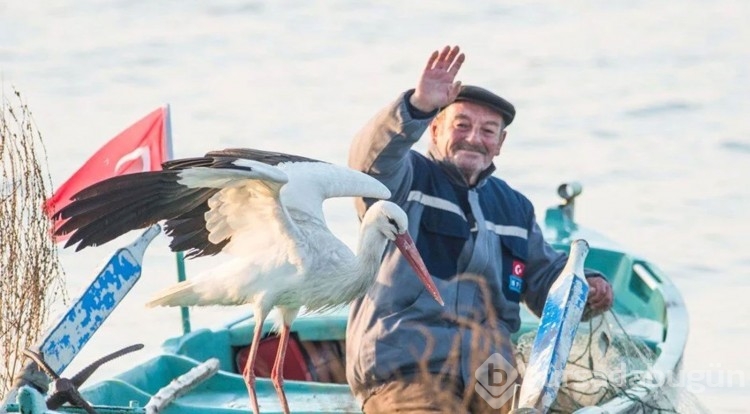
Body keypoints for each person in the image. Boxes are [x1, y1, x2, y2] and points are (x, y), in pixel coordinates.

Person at [345, 45, 614, 413]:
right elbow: (370, 162)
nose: (474, 138)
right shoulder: (404, 181)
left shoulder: (514, 207)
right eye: (461, 125)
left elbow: (544, 277)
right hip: (408, 367)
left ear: (500, 145)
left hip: (491, 373)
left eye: (488, 130)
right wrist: (418, 105)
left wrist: (588, 287)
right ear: (434, 130)